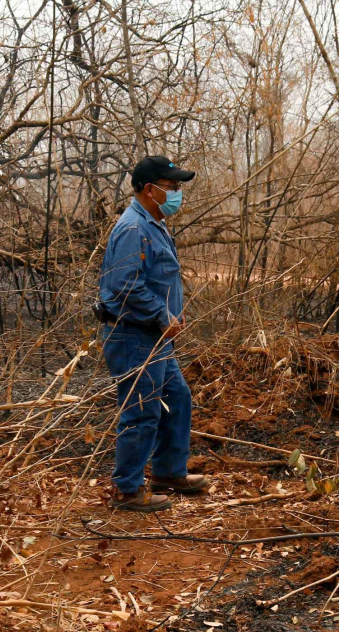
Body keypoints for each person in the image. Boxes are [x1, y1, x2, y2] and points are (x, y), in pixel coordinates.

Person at [96, 156, 209, 512]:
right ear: (150, 190)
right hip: (134, 336)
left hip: (156, 336)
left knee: (178, 398)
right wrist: (163, 315)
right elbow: (124, 287)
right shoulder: (133, 229)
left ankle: (167, 471)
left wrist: (170, 316)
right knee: (141, 411)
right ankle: (127, 490)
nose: (177, 193)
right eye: (172, 187)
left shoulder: (154, 224)